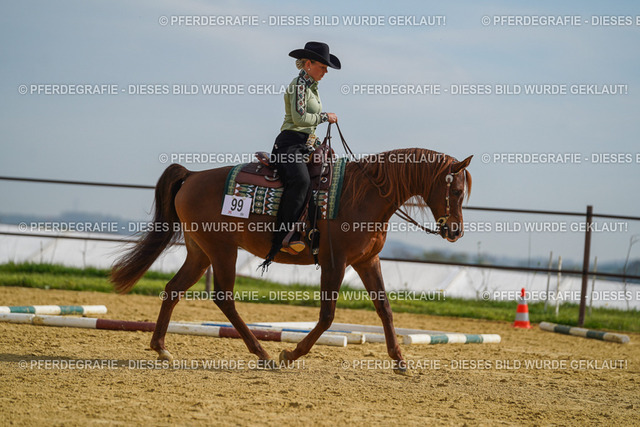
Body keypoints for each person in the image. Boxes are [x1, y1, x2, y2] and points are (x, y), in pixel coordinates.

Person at [264, 41, 340, 265]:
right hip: (289, 146)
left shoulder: (312, 87)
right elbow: (299, 119)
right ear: (308, 64)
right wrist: (325, 117)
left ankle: (313, 231)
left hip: (305, 145)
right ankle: (284, 236)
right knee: (301, 181)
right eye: (322, 67)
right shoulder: (298, 85)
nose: (325, 71)